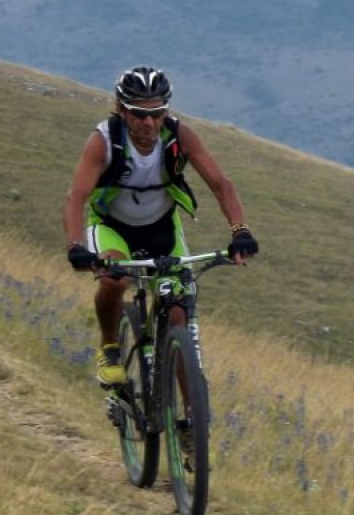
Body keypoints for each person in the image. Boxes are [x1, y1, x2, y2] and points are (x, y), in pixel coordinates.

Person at [63, 66, 259, 386]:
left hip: (162, 230)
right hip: (112, 227)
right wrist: (75, 246)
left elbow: (221, 183)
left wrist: (240, 231)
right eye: (140, 114)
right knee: (115, 280)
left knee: (178, 316)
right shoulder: (104, 141)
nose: (149, 123)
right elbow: (75, 198)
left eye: (158, 113)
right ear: (123, 109)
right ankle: (110, 346)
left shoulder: (179, 136)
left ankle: (188, 427)